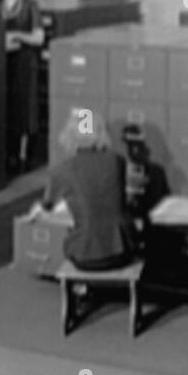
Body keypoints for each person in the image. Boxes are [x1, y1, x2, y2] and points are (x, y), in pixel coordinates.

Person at [41, 108, 140, 272]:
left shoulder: (62, 169)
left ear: (69, 134)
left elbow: (47, 206)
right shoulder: (117, 161)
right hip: (123, 253)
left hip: (84, 257)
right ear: (101, 132)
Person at [0, 0, 44, 174]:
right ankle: (8, 154)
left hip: (24, 62)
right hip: (2, 62)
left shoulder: (31, 5)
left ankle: (26, 155)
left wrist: (17, 35)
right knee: (6, 107)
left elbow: (38, 38)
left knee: (25, 108)